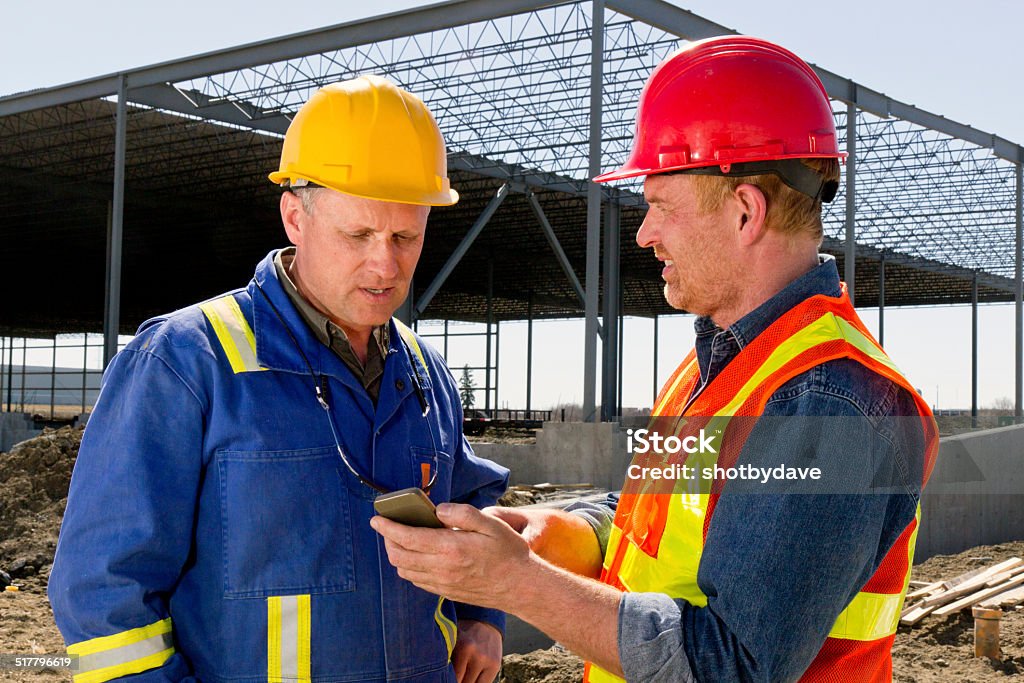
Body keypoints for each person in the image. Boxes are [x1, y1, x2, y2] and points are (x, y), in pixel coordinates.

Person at [371, 37, 938, 682]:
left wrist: (516, 582)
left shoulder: (832, 402)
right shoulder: (727, 366)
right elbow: (671, 517)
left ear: (745, 211)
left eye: (660, 206)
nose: (644, 233)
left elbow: (729, 666)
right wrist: (564, 530)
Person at [49, 75, 509, 683]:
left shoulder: (423, 373)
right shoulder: (187, 362)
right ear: (295, 216)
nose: (385, 263)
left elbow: (471, 505)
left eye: (406, 236)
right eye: (358, 234)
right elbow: (105, 589)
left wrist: (483, 616)